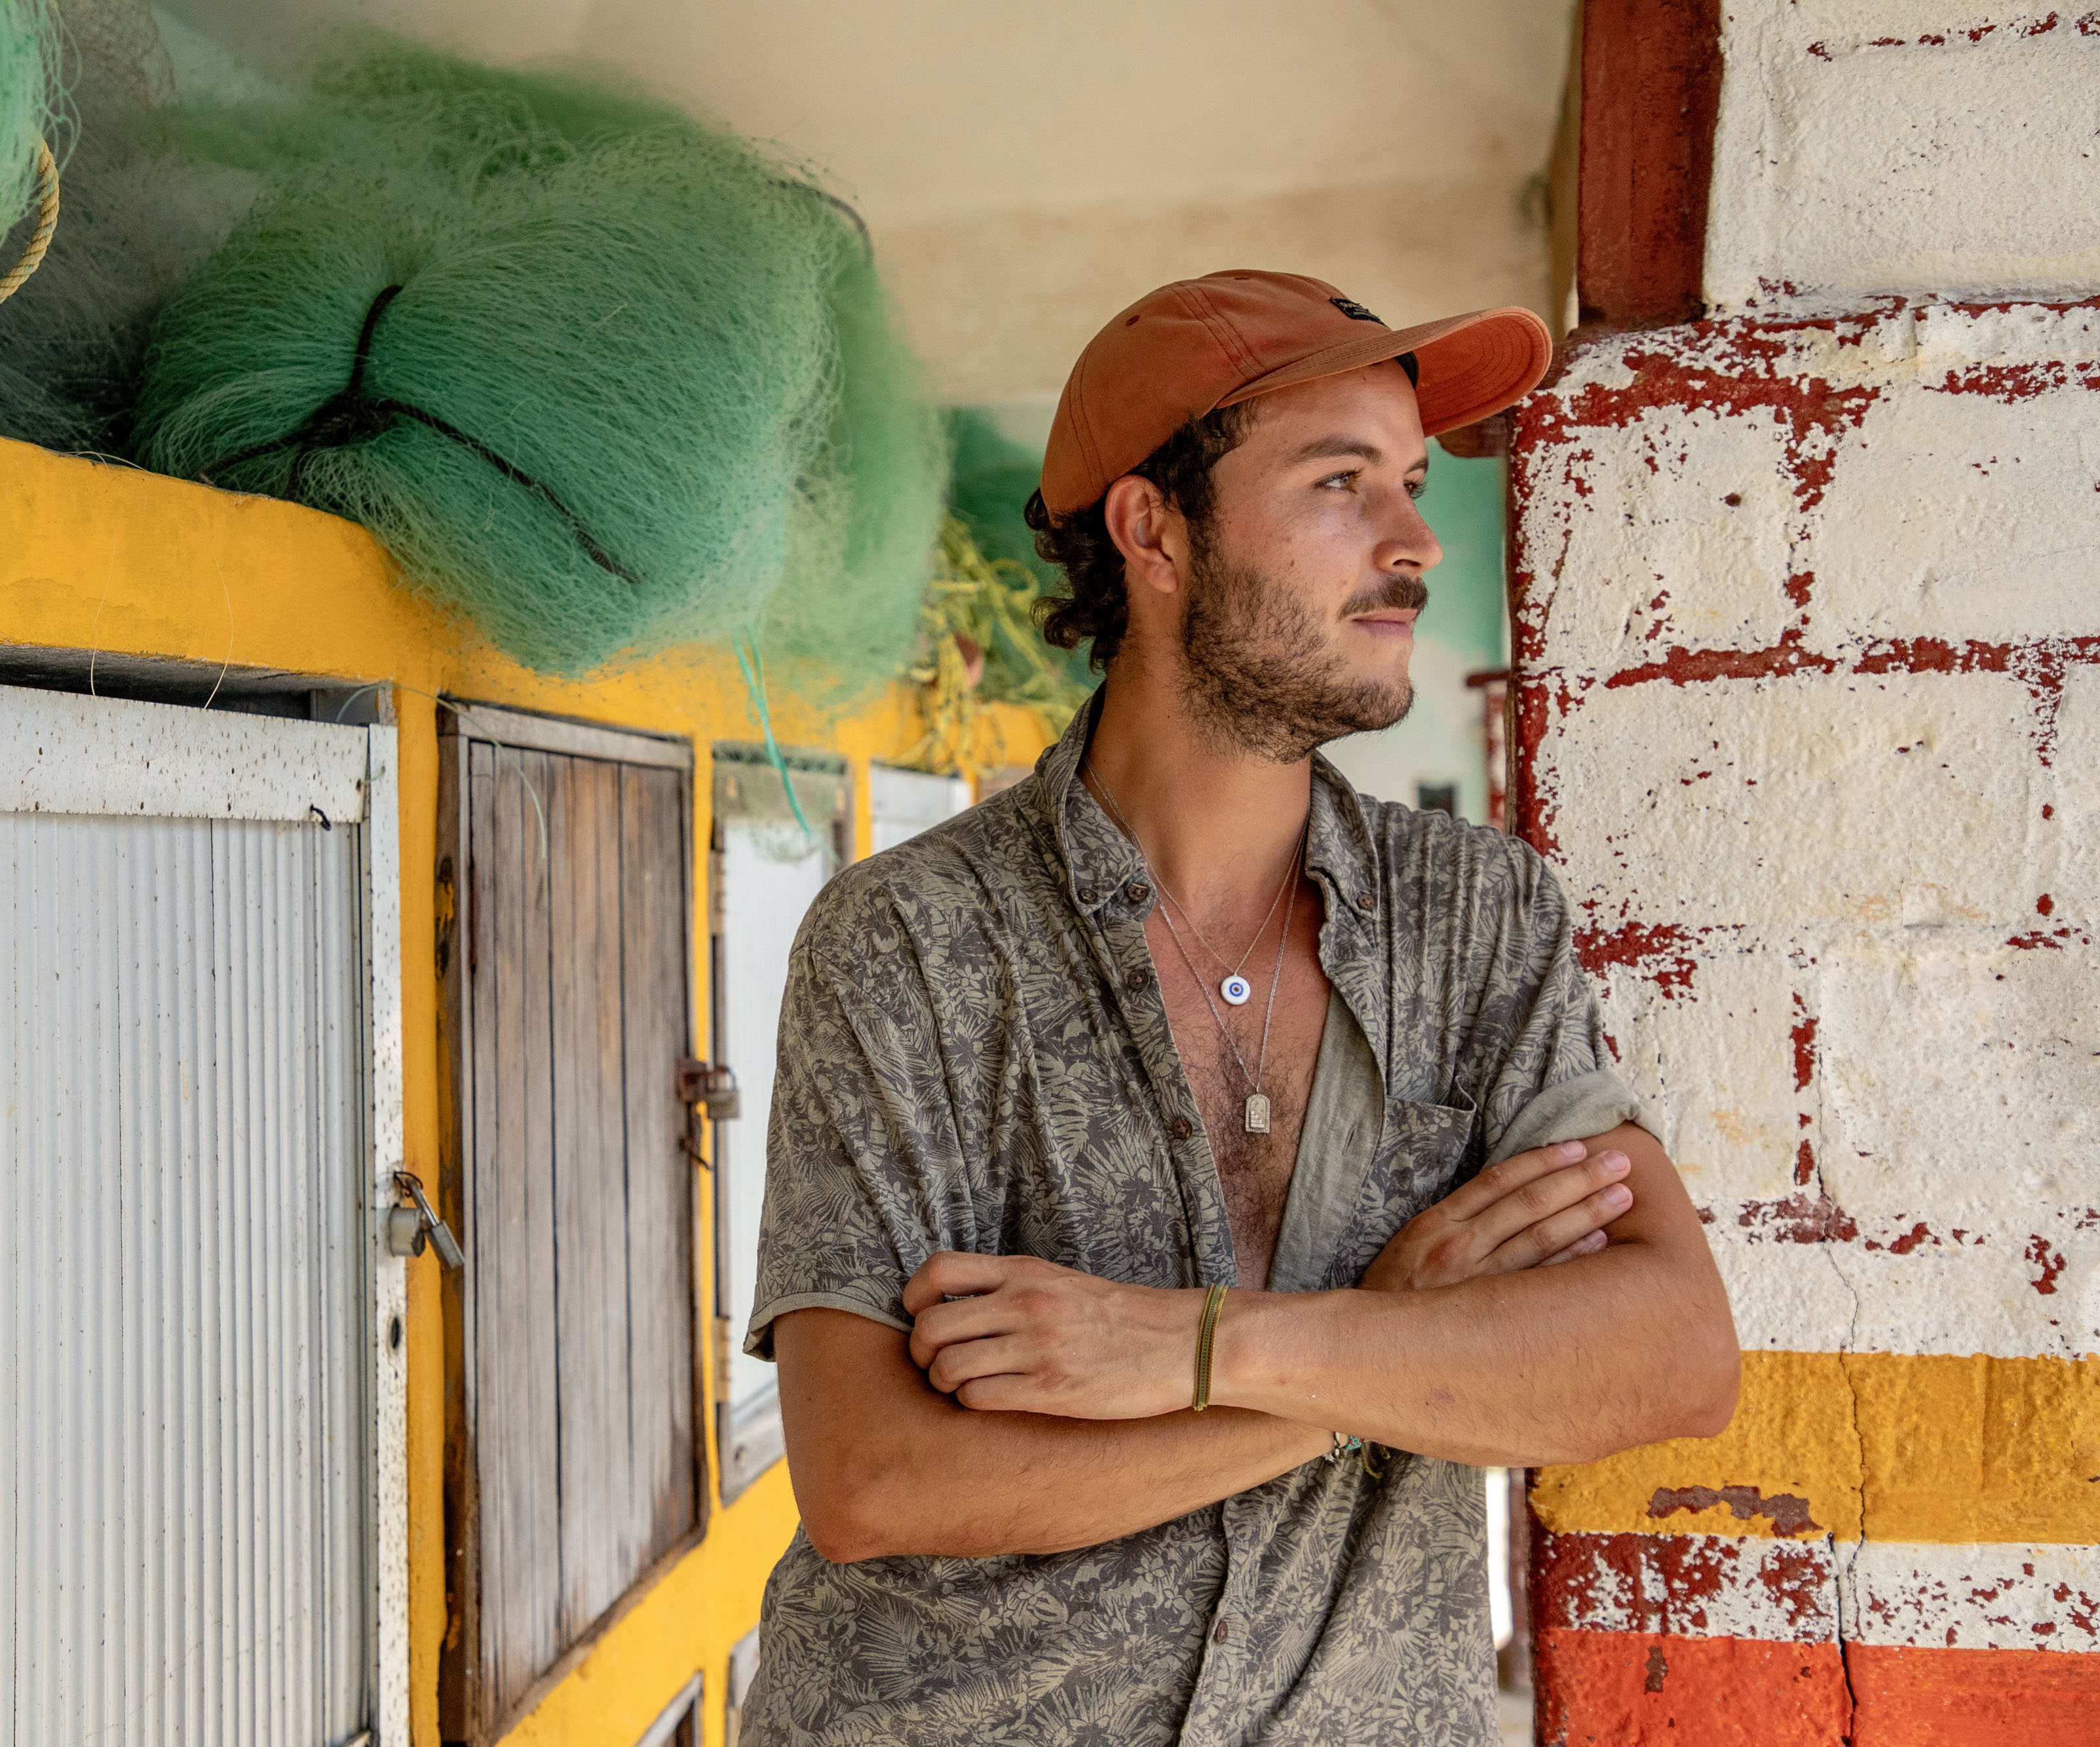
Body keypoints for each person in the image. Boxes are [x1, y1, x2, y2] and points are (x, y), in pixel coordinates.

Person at [735, 271, 1738, 1746]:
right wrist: (1381, 1360)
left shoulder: (1477, 919)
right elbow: (874, 1480)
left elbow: (1667, 1353)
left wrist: (1205, 1347)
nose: (1412, 540)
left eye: (1403, 481)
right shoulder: (901, 943)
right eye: (1339, 482)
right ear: (1152, 530)